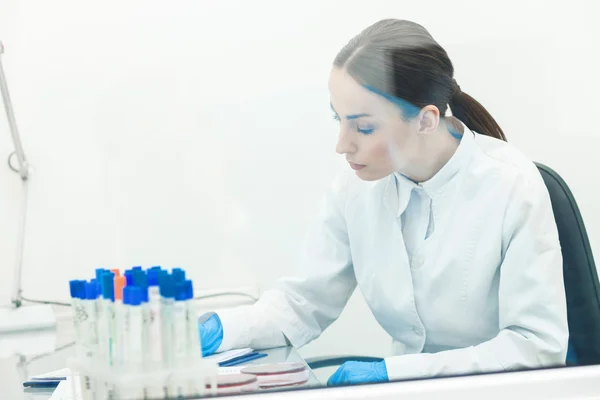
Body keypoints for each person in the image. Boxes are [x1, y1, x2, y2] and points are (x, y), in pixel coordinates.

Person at [199, 18, 568, 386]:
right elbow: (304, 302)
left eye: (363, 127)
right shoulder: (355, 187)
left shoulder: (511, 186)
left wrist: (394, 372)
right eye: (338, 120)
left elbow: (535, 347)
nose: (342, 145)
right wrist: (224, 328)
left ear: (426, 121)